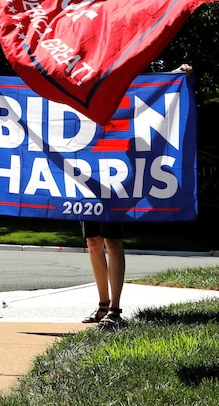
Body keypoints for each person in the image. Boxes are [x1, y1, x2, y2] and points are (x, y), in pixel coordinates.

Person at [81, 63, 193, 330]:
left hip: (120, 174)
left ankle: (115, 310)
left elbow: (147, 90)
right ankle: (102, 305)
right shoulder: (87, 80)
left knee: (112, 239)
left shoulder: (121, 79)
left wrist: (175, 74)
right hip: (89, 172)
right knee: (93, 241)